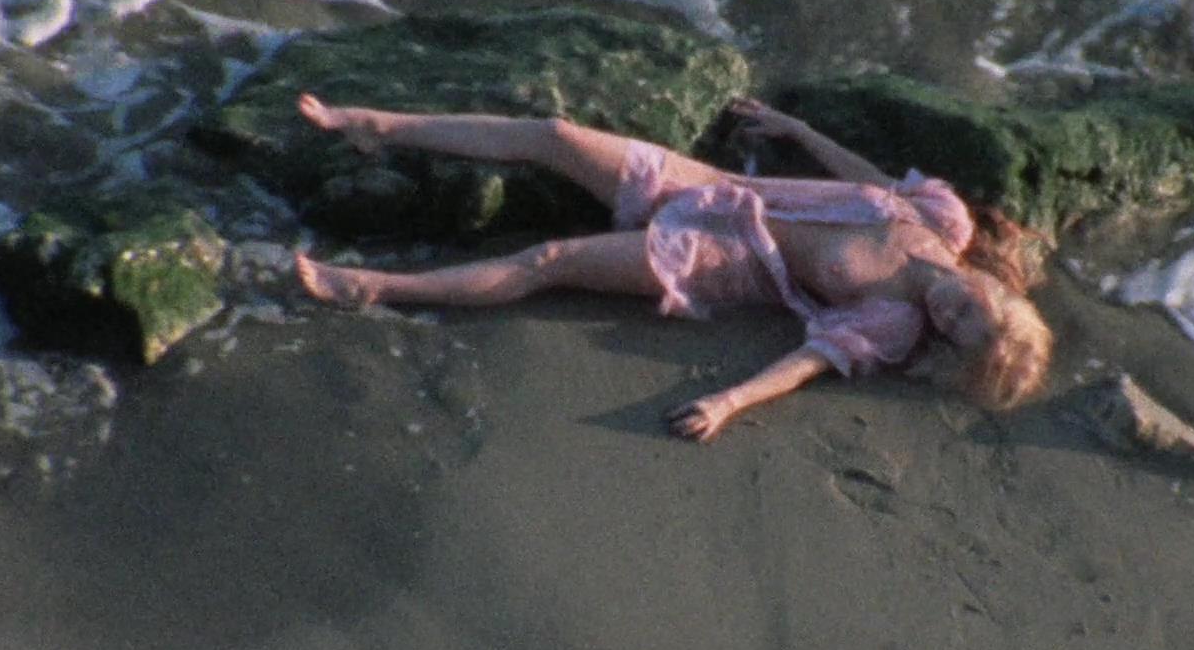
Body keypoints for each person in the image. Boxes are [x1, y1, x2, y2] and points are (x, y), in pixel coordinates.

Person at [292, 93, 1054, 441]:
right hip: (711, 187)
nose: (951, 312)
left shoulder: (891, 323)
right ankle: (374, 124)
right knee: (554, 133)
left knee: (549, 260)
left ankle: (373, 286)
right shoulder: (943, 219)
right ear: (996, 287)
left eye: (955, 331)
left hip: (710, 256)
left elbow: (806, 362)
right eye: (972, 308)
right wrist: (796, 129)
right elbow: (869, 176)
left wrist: (729, 403)